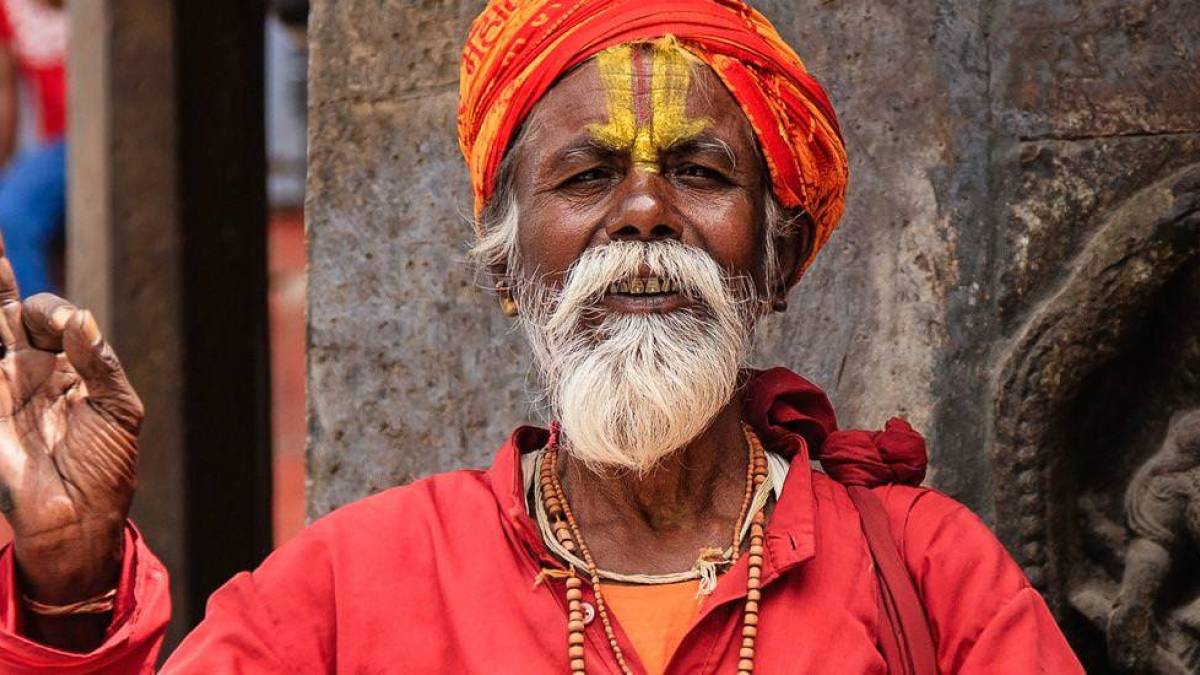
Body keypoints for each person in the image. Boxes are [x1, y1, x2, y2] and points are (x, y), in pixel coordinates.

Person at [0, 1, 1084, 672]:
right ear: (511, 273)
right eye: (588, 175)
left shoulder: (931, 575)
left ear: (780, 261)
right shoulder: (350, 586)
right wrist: (63, 580)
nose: (646, 212)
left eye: (700, 174)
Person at [0, 0, 66, 296]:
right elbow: (5, 92)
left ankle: (42, 333)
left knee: (13, 213)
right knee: (9, 210)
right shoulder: (11, 8)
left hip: (90, 138)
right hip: (53, 149)